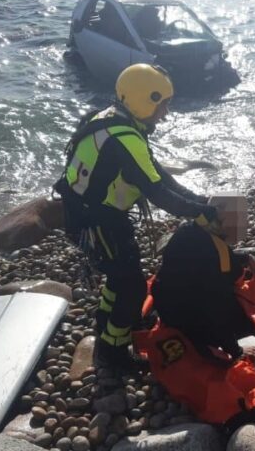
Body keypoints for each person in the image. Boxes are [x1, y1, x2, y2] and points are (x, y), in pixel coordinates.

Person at [54, 63, 219, 371]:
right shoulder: (124, 139)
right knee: (132, 286)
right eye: (162, 104)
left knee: (121, 275)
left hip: (89, 214)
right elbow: (158, 193)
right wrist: (201, 214)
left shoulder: (113, 120)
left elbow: (156, 174)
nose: (166, 112)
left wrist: (200, 202)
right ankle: (113, 353)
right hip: (97, 222)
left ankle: (106, 319)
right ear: (145, 100)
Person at [150, 221, 255, 362]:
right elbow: (214, 307)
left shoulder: (188, 230)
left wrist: (247, 257)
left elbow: (217, 255)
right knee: (232, 313)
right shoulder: (216, 257)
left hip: (164, 302)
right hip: (184, 317)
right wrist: (236, 350)